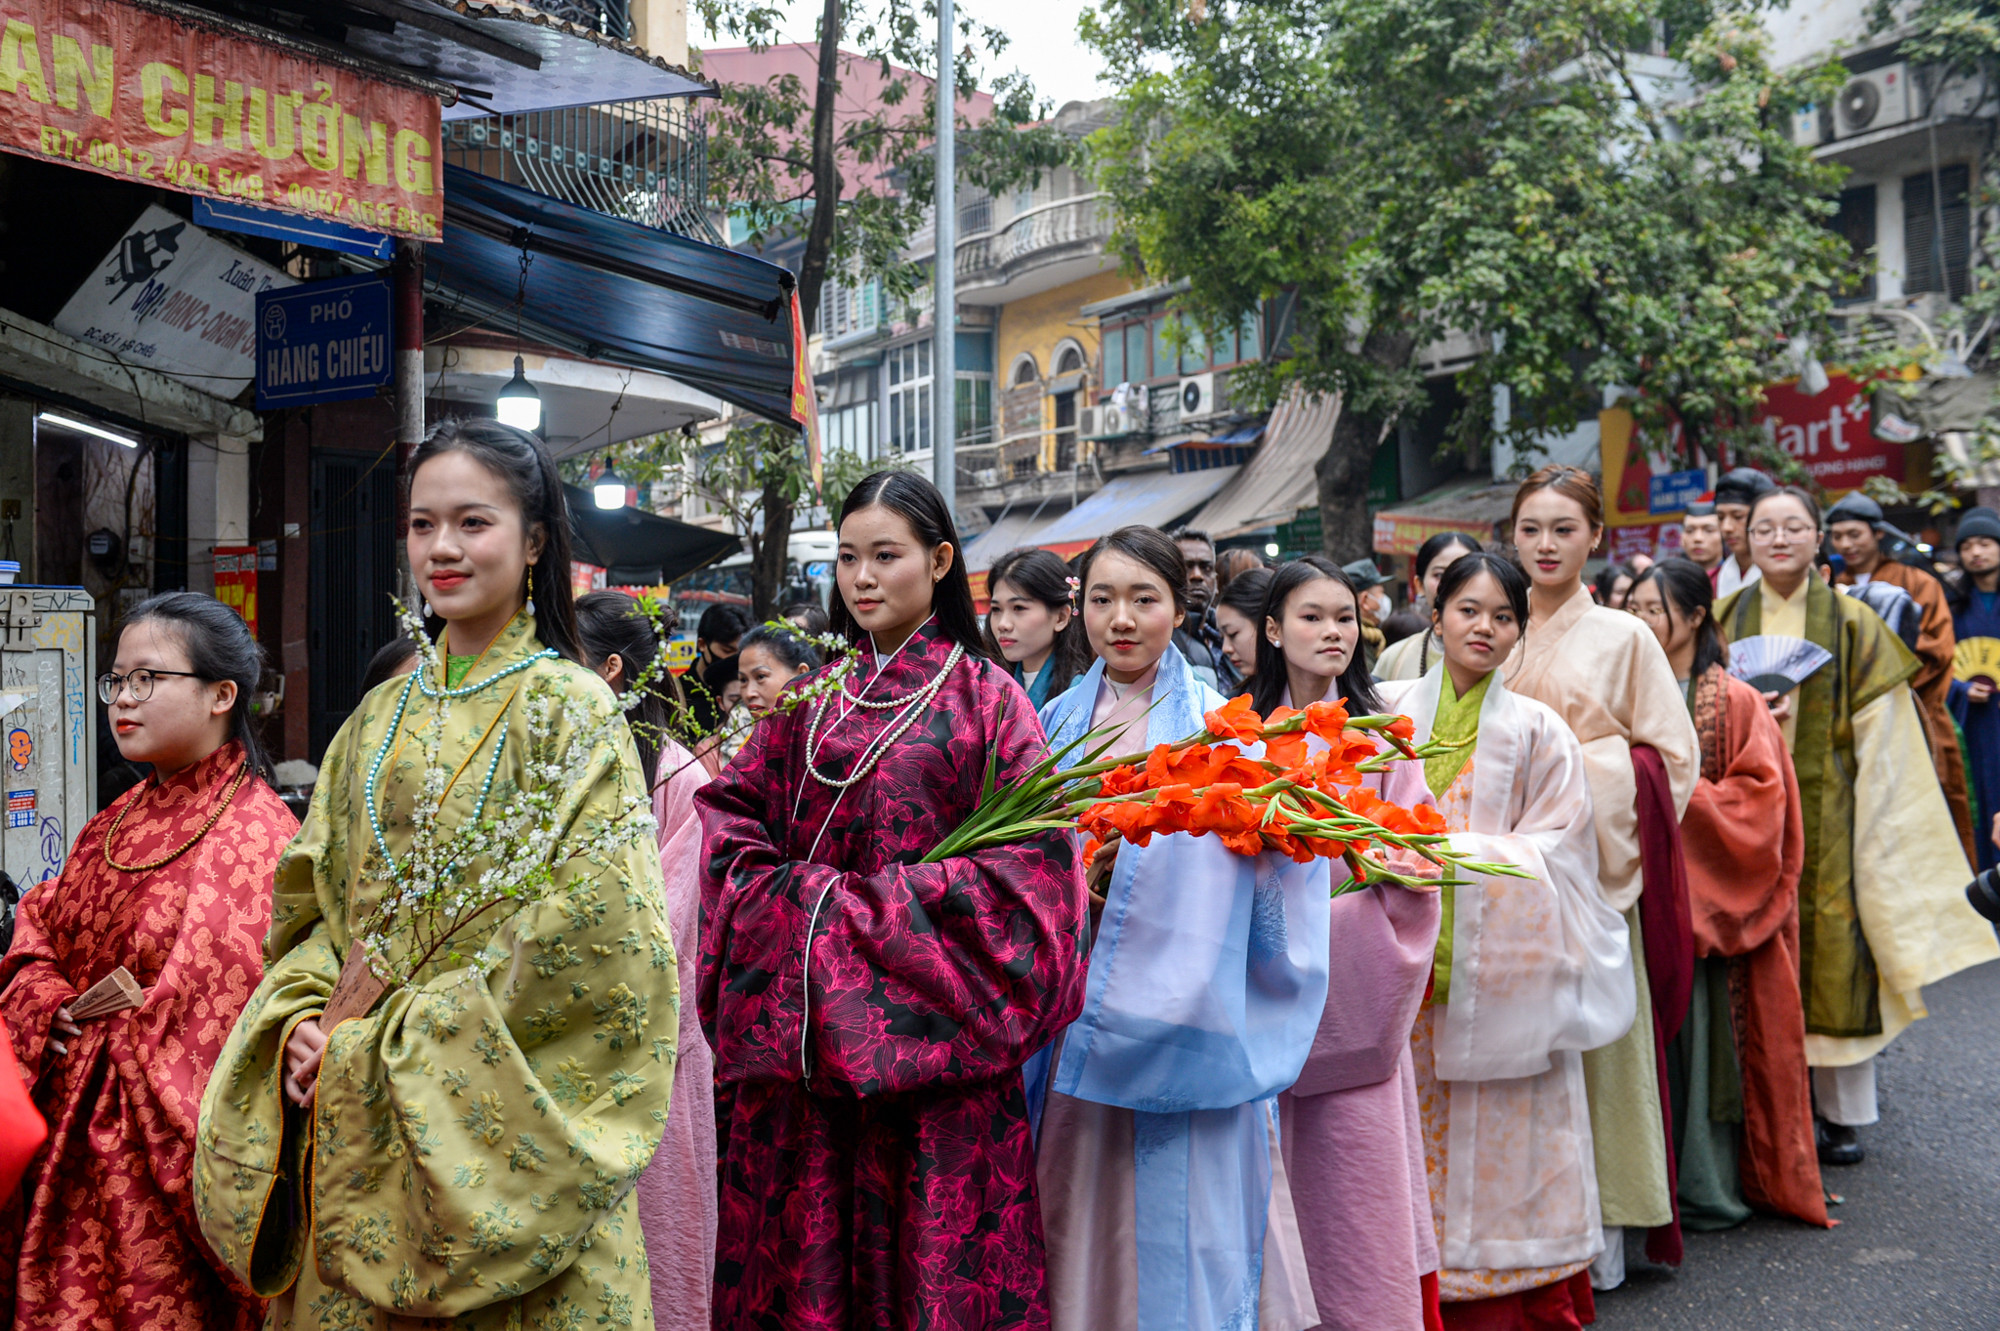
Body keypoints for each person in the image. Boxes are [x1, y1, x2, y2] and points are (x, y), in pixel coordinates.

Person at [193, 419, 678, 1331]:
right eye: (422, 525)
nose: (443, 549)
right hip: (354, 1125)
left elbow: (597, 953)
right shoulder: (377, 715)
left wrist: (382, 1047)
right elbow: (310, 907)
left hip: (499, 1145)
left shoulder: (573, 711)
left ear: (535, 540)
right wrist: (305, 1020)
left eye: (472, 522)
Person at [695, 470, 1087, 1329]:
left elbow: (1035, 888)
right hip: (805, 1077)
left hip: (936, 1084)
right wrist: (820, 910)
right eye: (846, 558)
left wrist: (829, 920)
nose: (862, 578)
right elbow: (729, 830)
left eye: (886, 556)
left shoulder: (990, 702)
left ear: (940, 560)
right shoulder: (805, 702)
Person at [1034, 528, 1329, 1331]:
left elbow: (1277, 868)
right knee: (1078, 1198)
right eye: (1101, 599)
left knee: (1192, 1215)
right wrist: (1077, 881)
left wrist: (1145, 882)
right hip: (1081, 1006)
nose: (1120, 619)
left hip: (1191, 1011)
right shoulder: (1048, 723)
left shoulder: (1227, 729)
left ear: (1179, 604)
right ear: (1076, 609)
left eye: (1143, 599)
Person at [0, 593, 298, 1331]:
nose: (123, 699)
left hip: (151, 1166)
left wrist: (106, 1052)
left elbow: (220, 1014)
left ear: (221, 695)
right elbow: (39, 926)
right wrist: (51, 1008)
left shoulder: (256, 833)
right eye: (116, 681)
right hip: (70, 1143)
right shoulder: (114, 819)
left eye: (147, 679)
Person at [1374, 551, 1634, 1330]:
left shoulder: (1539, 731)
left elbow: (1562, 849)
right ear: (1435, 612)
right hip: (1404, 966)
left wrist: (1447, 858)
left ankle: (1515, 1293)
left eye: (1503, 616)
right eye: (1469, 610)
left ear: (1521, 629)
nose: (1484, 628)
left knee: (1510, 1131)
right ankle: (1406, 1282)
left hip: (1504, 972)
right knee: (1407, 1128)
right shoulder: (1383, 714)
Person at [1715, 486, 1997, 1168]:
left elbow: (1885, 727)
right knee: (1747, 951)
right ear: (1746, 539)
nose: (1778, 538)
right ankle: (1764, 1099)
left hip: (1833, 805)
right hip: (1743, 808)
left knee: (1837, 948)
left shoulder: (1852, 620)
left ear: (1819, 540)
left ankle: (1840, 1113)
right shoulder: (1721, 617)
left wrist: (1879, 808)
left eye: (1794, 526)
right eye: (1764, 528)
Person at [1502, 464, 1698, 1288]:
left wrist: (1562, 783)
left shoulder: (1625, 636)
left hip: (1591, 873)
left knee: (1599, 1057)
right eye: (1530, 529)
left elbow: (1668, 762)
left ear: (1596, 538)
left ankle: (1605, 1238)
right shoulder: (1486, 622)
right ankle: (1518, 1239)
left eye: (1564, 529)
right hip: (1498, 877)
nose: (1546, 545)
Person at [1250, 556, 1442, 1331]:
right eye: (1310, 617)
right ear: (1271, 629)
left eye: (1343, 618)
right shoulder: (1236, 740)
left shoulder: (1384, 743)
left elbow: (1417, 870)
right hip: (1258, 1009)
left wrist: (1309, 936)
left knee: (1355, 1198)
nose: (1333, 632)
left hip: (1348, 1002)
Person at [1628, 560, 1828, 1231]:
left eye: (1653, 608)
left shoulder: (1736, 699)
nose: (1640, 621)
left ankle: (1706, 1182)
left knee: (1706, 1040)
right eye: (1632, 607)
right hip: (1638, 894)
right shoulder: (1622, 693)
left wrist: (1669, 802)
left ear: (1692, 617)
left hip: (1708, 906)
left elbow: (1760, 804)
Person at [577, 589, 717, 1331]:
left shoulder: (679, 777)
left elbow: (663, 927)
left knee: (656, 1245)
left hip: (645, 1048)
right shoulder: (549, 767)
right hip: (556, 1045)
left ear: (610, 669)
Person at [1825, 492, 1975, 859]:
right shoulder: (1829, 581)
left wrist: (1884, 678)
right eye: (1838, 535)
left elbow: (1937, 649)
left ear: (1877, 534)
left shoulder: (1918, 581)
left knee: (1935, 810)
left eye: (1855, 534)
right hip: (1847, 721)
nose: (1846, 544)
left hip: (1916, 710)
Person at [1947, 505, 2000, 874]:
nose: (1975, 553)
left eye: (1984, 543)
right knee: (1977, 804)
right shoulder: (1952, 605)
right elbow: (1938, 668)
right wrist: (1961, 689)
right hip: (1973, 726)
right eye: (1967, 546)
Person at [984, 546, 1090, 708]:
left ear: (1061, 617)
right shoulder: (989, 687)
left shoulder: (1080, 692)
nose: (1003, 624)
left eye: (1019, 608)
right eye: (996, 609)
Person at [1375, 533, 1482, 681]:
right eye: (1439, 574)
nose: (1451, 582)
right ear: (1419, 585)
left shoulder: (1510, 659)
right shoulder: (1395, 658)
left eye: (1464, 573)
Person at [1171, 526, 1231, 691]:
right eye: (1186, 567)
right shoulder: (1162, 643)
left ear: (1216, 581)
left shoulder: (1228, 636)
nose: (1197, 575)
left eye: (1206, 568)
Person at [689, 601, 752, 733]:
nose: (734, 660)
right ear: (702, 644)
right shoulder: (680, 693)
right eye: (727, 651)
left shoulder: (751, 690)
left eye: (739, 653)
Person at [735, 621, 822, 717]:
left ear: (802, 675)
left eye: (760, 676)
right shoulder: (745, 730)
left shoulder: (831, 728)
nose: (749, 693)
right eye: (743, 680)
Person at [1713, 467, 1774, 598]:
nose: (1726, 528)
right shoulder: (1712, 581)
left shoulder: (1787, 578)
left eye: (1738, 516)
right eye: (1720, 517)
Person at [1213, 566, 1272, 687]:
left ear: (1270, 627)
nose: (1225, 649)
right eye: (1222, 637)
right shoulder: (1232, 703)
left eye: (1232, 634)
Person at [1680, 501, 1725, 580]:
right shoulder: (1673, 581)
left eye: (1709, 530)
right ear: (1681, 539)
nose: (1698, 538)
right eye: (1690, 531)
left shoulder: (1735, 578)